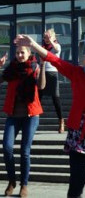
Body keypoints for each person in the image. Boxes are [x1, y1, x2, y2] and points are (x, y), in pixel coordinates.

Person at [15, 34, 85, 198]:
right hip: (79, 136)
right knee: (76, 185)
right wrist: (33, 45)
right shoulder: (77, 73)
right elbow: (54, 60)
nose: (83, 56)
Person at [0, 45, 46, 197]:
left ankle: (24, 185)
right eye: (18, 52)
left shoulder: (34, 67)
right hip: (13, 115)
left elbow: (41, 86)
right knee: (7, 147)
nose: (20, 55)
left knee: (24, 151)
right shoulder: (11, 69)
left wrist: (42, 65)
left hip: (31, 115)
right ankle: (12, 181)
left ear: (29, 54)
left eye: (23, 52)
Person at [40, 29, 64, 133]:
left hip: (53, 73)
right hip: (43, 74)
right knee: (38, 97)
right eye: (45, 37)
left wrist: (52, 41)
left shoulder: (57, 46)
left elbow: (57, 50)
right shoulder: (43, 47)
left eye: (49, 37)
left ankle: (61, 121)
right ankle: (31, 120)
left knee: (56, 99)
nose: (47, 39)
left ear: (54, 37)